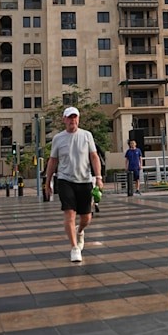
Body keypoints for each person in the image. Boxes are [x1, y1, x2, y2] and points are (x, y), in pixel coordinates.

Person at [45, 107, 103, 263]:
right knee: (69, 214)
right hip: (65, 180)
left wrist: (98, 177)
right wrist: (47, 182)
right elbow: (53, 161)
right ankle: (74, 248)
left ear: (78, 119)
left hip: (84, 180)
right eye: (70, 117)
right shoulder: (58, 138)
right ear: (64, 119)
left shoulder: (87, 135)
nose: (73, 120)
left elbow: (94, 156)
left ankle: (80, 230)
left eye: (75, 117)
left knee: (86, 217)